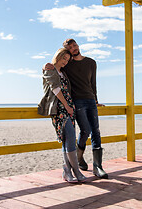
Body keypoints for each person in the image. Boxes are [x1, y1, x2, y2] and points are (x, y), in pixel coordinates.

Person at [45, 39, 108, 179]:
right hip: (76, 102)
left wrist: (95, 100)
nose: (73, 48)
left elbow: (93, 83)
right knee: (86, 130)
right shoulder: (68, 64)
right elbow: (55, 70)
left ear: (78, 46)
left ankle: (98, 167)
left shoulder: (91, 62)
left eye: (74, 46)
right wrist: (45, 66)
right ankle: (79, 158)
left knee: (96, 131)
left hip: (90, 100)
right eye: (70, 48)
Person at [38, 48, 86, 183]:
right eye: (63, 58)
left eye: (67, 60)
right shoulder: (50, 69)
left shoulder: (64, 73)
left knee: (67, 140)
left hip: (69, 107)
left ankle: (67, 171)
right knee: (70, 138)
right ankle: (76, 170)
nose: (65, 61)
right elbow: (55, 89)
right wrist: (66, 106)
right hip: (59, 108)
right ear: (58, 56)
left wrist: (70, 107)